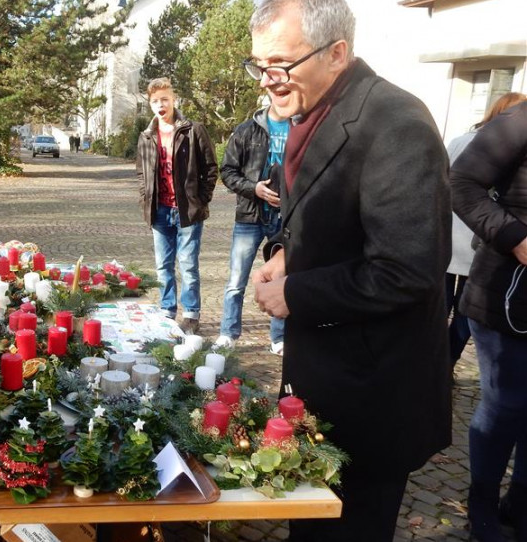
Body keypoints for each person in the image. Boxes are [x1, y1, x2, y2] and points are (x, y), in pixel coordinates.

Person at [248, 1, 452, 540]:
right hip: (322, 379)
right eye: (259, 65)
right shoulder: (310, 114)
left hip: (372, 396)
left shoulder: (397, 124)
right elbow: (313, 218)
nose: (267, 80)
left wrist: (296, 293)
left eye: (280, 64)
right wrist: (283, 253)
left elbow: (407, 269)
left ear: (336, 53)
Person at [451, 100, 527, 542]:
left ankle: (518, 505)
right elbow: (460, 182)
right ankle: (481, 507)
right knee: (506, 405)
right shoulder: (520, 119)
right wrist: (516, 238)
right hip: (506, 297)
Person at [445, 92, 527, 374]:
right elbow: (457, 183)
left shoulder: (459, 140)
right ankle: (446, 361)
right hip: (483, 239)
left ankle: (437, 363)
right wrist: (513, 237)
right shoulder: (505, 133)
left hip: (460, 237)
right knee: (459, 308)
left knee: (444, 304)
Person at [136, 77, 218, 334]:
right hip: (159, 210)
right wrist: (145, 199)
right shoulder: (146, 136)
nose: (161, 105)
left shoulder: (193, 130)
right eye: (155, 101)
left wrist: (200, 200)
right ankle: (167, 311)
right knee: (163, 265)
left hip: (187, 211)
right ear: (150, 104)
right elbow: (141, 173)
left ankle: (191, 314)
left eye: (165, 99)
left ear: (174, 100)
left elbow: (210, 168)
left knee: (188, 265)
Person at [217, 102, 288, 354]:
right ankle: (228, 333)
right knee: (236, 280)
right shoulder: (248, 129)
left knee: (281, 277)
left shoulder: (301, 128)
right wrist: (254, 188)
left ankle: (279, 337)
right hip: (250, 215)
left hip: (286, 218)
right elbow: (227, 170)